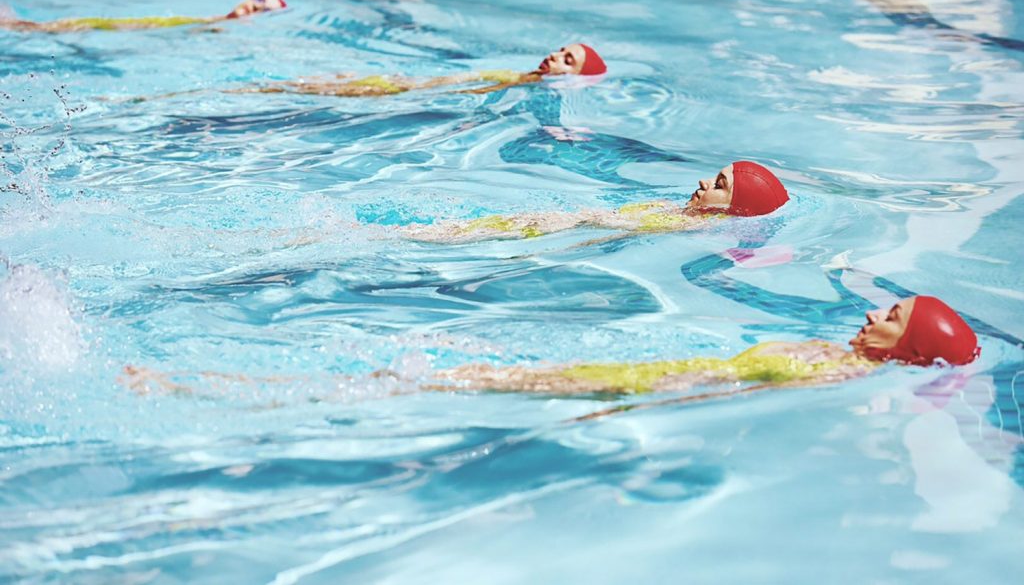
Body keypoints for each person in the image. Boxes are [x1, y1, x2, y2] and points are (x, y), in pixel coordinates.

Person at [121, 296, 980, 401]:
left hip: (616, 378)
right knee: (426, 378)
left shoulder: (823, 367)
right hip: (622, 375)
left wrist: (612, 393)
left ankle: (196, 386)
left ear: (906, 348)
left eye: (891, 315)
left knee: (419, 383)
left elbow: (714, 383)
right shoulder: (836, 362)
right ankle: (200, 383)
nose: (872, 310)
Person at [402, 160, 789, 243]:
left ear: (735, 208)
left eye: (719, 184)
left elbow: (602, 231)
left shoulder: (684, 225)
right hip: (559, 221)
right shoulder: (679, 215)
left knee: (439, 235)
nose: (704, 181)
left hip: (555, 229)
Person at [253, 42, 607, 98]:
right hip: (395, 88)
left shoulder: (515, 79)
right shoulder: (516, 82)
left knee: (288, 87)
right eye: (561, 51)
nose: (555, 56)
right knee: (283, 89)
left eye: (567, 61)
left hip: (399, 86)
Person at [0, 0, 287, 33]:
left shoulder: (221, 27)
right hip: (136, 24)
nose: (255, 4)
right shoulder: (215, 21)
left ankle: (12, 24)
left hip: (138, 28)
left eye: (264, 8)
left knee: (54, 28)